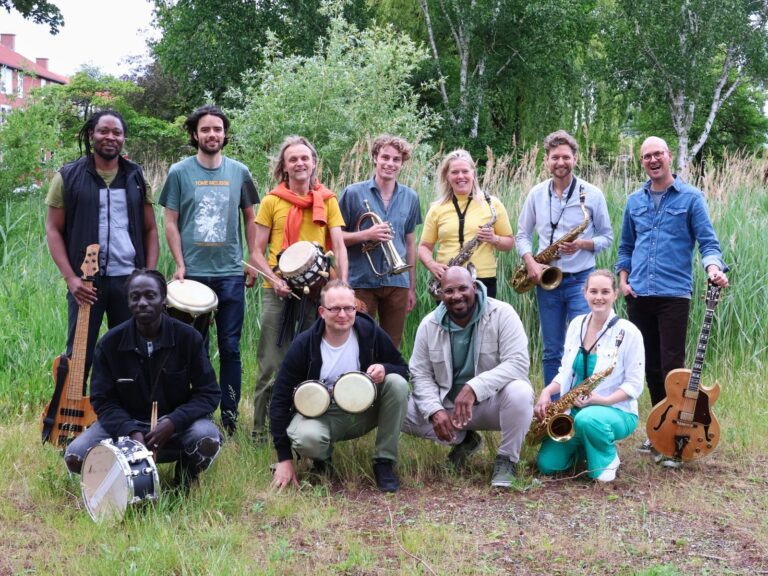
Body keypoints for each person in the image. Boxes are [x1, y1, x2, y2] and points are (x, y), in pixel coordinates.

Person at [616, 136, 729, 465]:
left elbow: (708, 242)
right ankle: (659, 432)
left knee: (672, 368)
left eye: (658, 154)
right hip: (639, 294)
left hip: (673, 295)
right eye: (646, 156)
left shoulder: (691, 198)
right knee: (648, 366)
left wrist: (713, 269)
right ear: (642, 161)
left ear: (669, 157)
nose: (653, 160)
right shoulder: (634, 201)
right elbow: (626, 247)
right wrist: (623, 281)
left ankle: (679, 435)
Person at [64, 269, 223, 488]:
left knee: (206, 439)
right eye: (135, 297)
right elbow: (102, 400)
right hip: (127, 425)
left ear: (163, 299)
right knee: (76, 456)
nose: (142, 302)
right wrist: (130, 431)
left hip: (176, 425)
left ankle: (185, 477)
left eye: (150, 295)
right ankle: (121, 479)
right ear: (128, 302)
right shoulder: (110, 343)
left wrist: (173, 422)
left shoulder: (188, 338)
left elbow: (209, 393)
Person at [159, 105, 260, 435]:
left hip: (230, 273)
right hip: (193, 277)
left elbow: (250, 217)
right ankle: (197, 415)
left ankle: (229, 418)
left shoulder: (239, 172)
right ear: (195, 134)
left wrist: (253, 259)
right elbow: (170, 222)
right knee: (193, 349)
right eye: (205, 129)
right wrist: (180, 263)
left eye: (217, 129)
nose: (212, 134)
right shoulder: (179, 172)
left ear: (224, 134)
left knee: (230, 349)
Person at [45, 109, 159, 381]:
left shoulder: (136, 177)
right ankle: (73, 406)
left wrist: (148, 275)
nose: (110, 137)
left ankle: (123, 407)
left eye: (117, 132)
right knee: (79, 355)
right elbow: (53, 229)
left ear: (123, 138)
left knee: (129, 354)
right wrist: (70, 278)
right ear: (91, 134)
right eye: (103, 131)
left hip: (129, 281)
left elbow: (150, 229)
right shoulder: (68, 176)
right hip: (86, 283)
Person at [251, 136, 348, 442]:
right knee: (271, 362)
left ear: (314, 162)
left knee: (309, 359)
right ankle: (259, 432)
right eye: (292, 159)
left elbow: (339, 246)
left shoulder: (328, 200)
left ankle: (299, 425)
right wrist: (275, 279)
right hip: (276, 288)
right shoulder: (271, 201)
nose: (299, 163)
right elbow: (256, 251)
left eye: (305, 158)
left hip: (316, 290)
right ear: (284, 166)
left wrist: (341, 285)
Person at [270, 280, 409, 492]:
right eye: (335, 309)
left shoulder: (369, 331)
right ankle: (322, 461)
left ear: (355, 308)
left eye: (348, 308)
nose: (343, 315)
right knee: (306, 438)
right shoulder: (304, 344)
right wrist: (284, 459)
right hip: (322, 415)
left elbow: (404, 369)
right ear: (322, 312)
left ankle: (384, 462)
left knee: (397, 383)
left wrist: (385, 368)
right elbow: (279, 399)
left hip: (365, 410)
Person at [403, 266, 533, 487]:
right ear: (440, 294)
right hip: (449, 408)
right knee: (398, 408)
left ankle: (507, 459)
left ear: (474, 287)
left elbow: (518, 363)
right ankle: (465, 440)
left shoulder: (503, 313)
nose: (456, 296)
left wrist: (475, 387)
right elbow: (420, 374)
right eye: (449, 291)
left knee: (520, 392)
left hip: (491, 404)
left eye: (463, 288)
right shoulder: (429, 324)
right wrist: (434, 410)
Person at [516, 130, 613, 387]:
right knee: (552, 350)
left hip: (581, 280)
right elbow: (522, 235)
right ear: (547, 160)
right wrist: (531, 262)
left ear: (575, 158)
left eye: (566, 157)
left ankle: (581, 402)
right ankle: (552, 406)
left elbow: (607, 237)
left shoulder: (592, 194)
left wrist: (583, 244)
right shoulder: (536, 194)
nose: (561, 162)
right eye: (555, 157)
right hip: (546, 280)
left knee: (585, 345)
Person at [534, 270, 645, 482]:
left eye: (605, 292)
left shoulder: (629, 332)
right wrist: (547, 391)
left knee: (588, 419)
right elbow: (565, 371)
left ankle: (608, 459)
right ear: (584, 293)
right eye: (593, 291)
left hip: (616, 410)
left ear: (615, 294)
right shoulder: (577, 324)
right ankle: (586, 447)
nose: (598, 297)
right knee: (548, 465)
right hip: (575, 410)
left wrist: (602, 400)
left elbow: (634, 385)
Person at [339, 135, 421, 347]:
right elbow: (336, 238)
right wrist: (367, 235)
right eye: (385, 157)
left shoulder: (411, 197)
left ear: (402, 163)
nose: (390, 164)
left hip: (397, 283)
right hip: (362, 281)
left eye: (396, 159)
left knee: (391, 345)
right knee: (358, 342)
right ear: (375, 157)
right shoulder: (353, 193)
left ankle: (386, 371)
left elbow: (410, 243)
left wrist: (411, 287)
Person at [419, 149, 514, 299]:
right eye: (454, 172)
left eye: (465, 171)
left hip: (483, 279)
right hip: (447, 279)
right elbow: (424, 247)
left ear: (473, 174)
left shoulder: (492, 204)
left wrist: (494, 239)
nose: (460, 176)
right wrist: (432, 265)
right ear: (447, 176)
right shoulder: (437, 208)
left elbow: (509, 243)